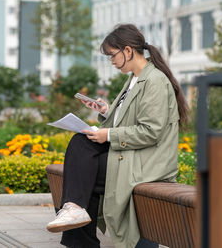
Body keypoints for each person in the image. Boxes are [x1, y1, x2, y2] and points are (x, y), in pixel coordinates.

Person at [46, 24, 189, 248]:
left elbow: (151, 132)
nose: (111, 61)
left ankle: (76, 220)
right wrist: (105, 111)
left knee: (84, 169)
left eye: (112, 55)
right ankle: (74, 210)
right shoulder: (133, 79)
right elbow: (128, 120)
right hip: (132, 154)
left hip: (147, 160)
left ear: (128, 51)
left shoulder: (154, 81)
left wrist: (109, 134)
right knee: (81, 143)